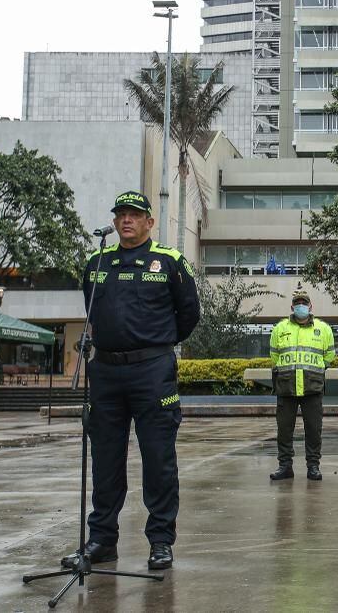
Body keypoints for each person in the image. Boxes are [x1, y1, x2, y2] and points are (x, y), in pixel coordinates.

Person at [61, 191, 200, 571]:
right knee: (105, 460)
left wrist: (156, 344)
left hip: (152, 371)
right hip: (105, 372)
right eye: (121, 214)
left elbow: (189, 314)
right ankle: (102, 540)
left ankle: (160, 541)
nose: (126, 220)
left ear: (149, 222)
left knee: (158, 460)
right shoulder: (97, 262)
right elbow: (92, 308)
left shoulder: (169, 261)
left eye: (135, 215)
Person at [269, 285, 335, 481]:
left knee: (314, 430)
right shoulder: (280, 328)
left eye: (304, 303)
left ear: (310, 306)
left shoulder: (323, 329)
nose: (300, 306)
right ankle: (285, 466)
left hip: (312, 387)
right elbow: (274, 356)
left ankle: (313, 466)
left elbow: (329, 356)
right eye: (297, 303)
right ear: (292, 307)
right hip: (286, 387)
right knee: (284, 430)